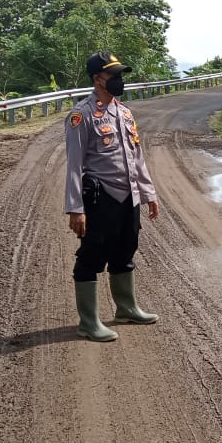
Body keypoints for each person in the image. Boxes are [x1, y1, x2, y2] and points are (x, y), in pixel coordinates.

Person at [64, 51, 160, 341]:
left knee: (126, 249)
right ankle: (88, 322)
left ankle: (126, 307)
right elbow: (74, 165)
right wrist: (75, 208)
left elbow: (137, 157)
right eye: (113, 75)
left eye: (121, 75)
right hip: (101, 196)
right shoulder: (81, 116)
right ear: (97, 79)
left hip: (128, 196)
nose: (119, 80)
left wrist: (148, 193)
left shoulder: (125, 113)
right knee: (91, 255)